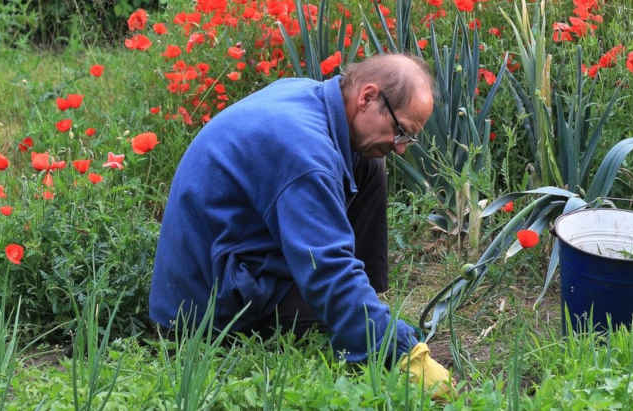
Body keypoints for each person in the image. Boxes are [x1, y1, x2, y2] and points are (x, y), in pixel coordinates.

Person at [149, 53, 450, 394]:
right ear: (367, 97)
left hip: (236, 252)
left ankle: (366, 306)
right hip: (205, 306)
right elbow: (325, 267)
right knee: (339, 299)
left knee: (370, 163)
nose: (400, 149)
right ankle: (367, 331)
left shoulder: (316, 98)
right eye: (400, 132)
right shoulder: (305, 155)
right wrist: (397, 349)